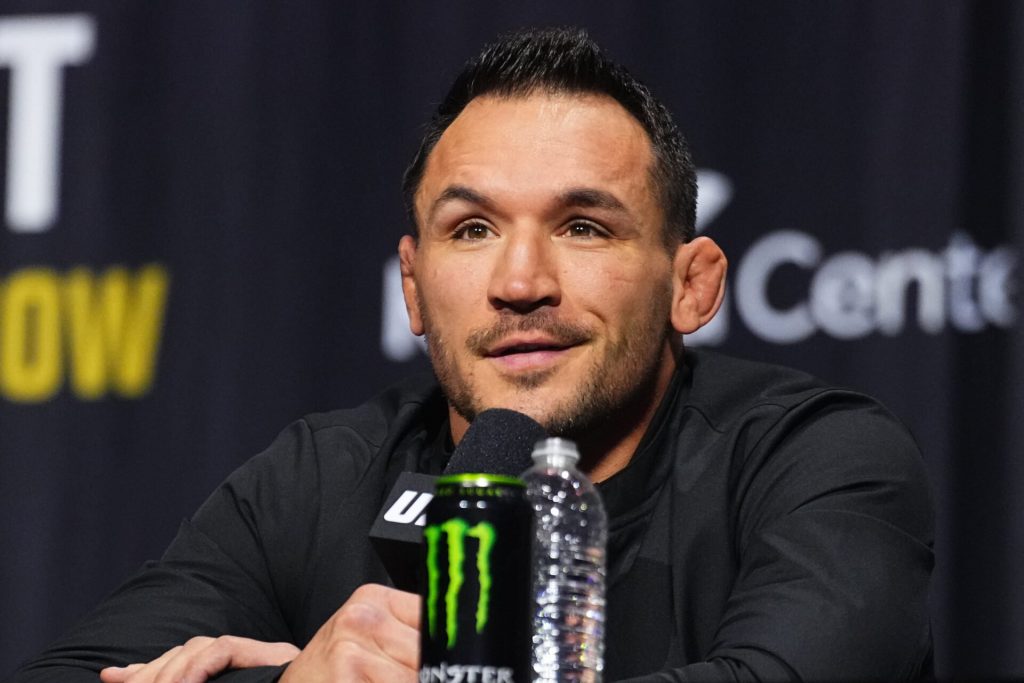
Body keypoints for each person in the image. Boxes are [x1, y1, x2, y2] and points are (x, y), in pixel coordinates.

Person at [12, 26, 934, 683]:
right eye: (473, 229)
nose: (520, 281)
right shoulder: (319, 479)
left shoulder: (817, 459)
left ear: (690, 284)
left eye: (582, 226)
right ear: (413, 287)